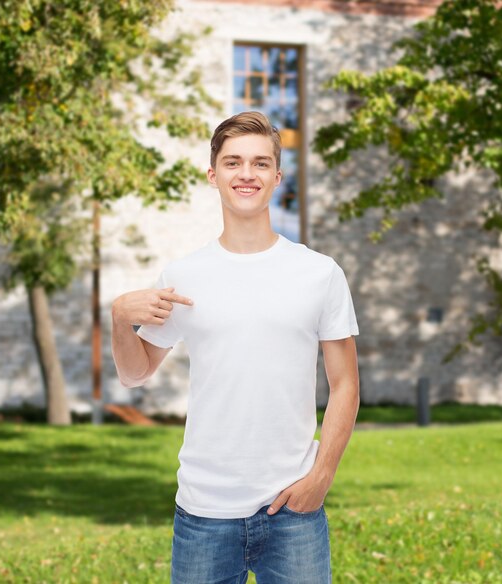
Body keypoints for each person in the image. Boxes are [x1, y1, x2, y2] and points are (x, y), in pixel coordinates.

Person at [111, 111, 360, 583]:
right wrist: (121, 320)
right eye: (233, 163)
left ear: (277, 177)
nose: (247, 174)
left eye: (260, 163)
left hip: (294, 511)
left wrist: (322, 476)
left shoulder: (320, 273)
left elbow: (345, 382)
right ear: (213, 175)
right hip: (204, 512)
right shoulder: (184, 276)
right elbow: (135, 373)